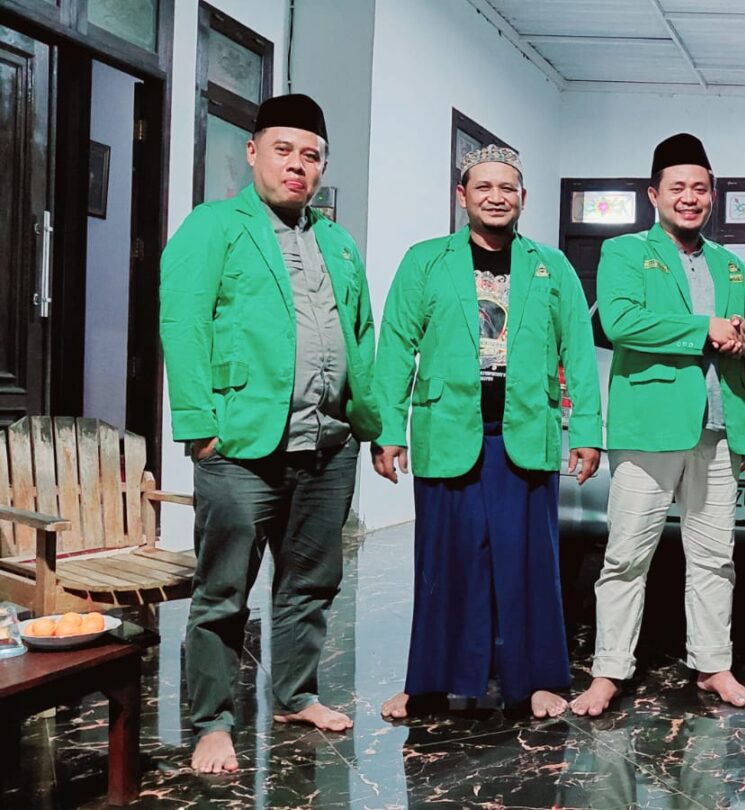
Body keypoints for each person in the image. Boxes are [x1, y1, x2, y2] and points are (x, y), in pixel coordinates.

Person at [159, 94, 381, 773]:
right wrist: (199, 425)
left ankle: (295, 694)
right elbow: (183, 324)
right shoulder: (213, 226)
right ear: (252, 152)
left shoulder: (337, 241)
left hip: (328, 443)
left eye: (310, 155)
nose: (297, 165)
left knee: (310, 583)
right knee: (223, 592)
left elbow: (361, 332)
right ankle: (211, 722)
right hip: (240, 445)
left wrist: (369, 422)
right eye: (284, 150)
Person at [370, 144, 602, 721]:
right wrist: (387, 429)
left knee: (528, 564)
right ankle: (429, 683)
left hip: (525, 430)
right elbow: (395, 346)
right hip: (447, 428)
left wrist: (587, 431)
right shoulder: (426, 261)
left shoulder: (551, 266)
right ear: (462, 196)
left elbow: (578, 348)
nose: (496, 197)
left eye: (507, 188)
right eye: (483, 187)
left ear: (522, 197)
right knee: (445, 562)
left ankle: (536, 681)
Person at [570, 133, 745, 716]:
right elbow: (622, 322)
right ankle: (609, 671)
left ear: (712, 196)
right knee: (626, 557)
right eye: (678, 187)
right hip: (649, 427)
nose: (690, 197)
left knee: (715, 557)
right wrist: (703, 327)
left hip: (719, 429)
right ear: (654, 194)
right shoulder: (625, 253)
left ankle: (713, 665)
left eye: (700, 188)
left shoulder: (732, 265)